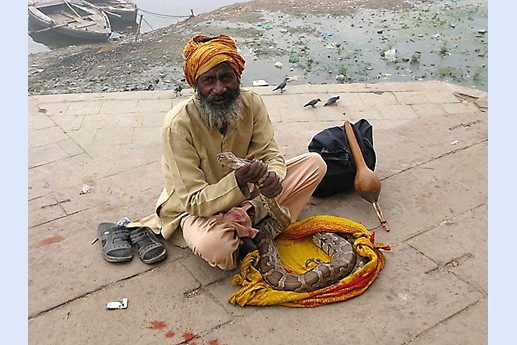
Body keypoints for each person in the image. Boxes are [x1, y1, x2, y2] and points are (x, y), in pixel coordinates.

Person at [98, 34, 327, 270]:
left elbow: (270, 154)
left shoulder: (252, 103)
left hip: (249, 191)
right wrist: (238, 181)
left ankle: (244, 219)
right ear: (196, 84)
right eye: (209, 80)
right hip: (197, 209)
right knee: (217, 248)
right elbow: (194, 201)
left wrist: (273, 177)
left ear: (238, 77)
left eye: (227, 78)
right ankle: (251, 219)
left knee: (315, 164)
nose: (219, 89)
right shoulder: (177, 125)